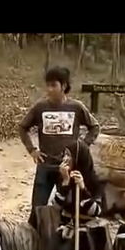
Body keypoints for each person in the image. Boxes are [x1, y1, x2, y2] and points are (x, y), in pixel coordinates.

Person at [19, 66, 100, 229]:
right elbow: (23, 127)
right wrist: (32, 150)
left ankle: (61, 236)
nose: (49, 89)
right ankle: (33, 238)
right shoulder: (40, 107)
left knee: (67, 208)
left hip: (67, 167)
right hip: (45, 164)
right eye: (48, 85)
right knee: (38, 207)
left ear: (63, 86)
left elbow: (94, 126)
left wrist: (82, 146)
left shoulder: (76, 107)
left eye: (54, 85)